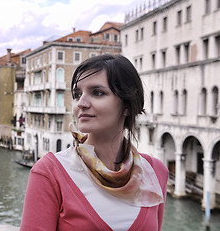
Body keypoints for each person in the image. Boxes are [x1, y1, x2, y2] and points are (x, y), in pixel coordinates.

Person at [20, 54, 168, 231]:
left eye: (97, 93)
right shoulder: (49, 173)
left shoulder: (156, 172)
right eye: (77, 94)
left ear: (127, 105)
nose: (81, 103)